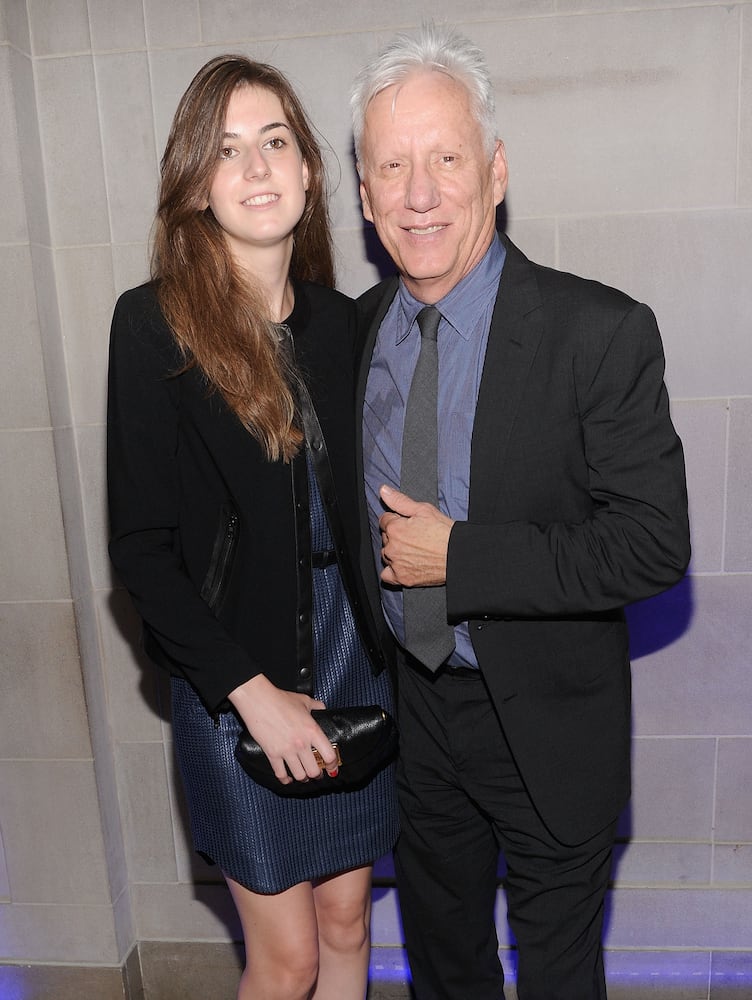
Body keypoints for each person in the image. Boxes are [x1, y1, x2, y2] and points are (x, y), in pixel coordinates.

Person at [350, 23, 690, 1000]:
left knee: (556, 979)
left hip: (548, 727)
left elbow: (652, 544)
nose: (419, 193)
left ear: (494, 172)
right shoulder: (355, 334)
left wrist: (460, 558)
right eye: (392, 166)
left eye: (446, 159)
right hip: (413, 725)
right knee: (443, 970)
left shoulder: (599, 332)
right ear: (365, 196)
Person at [107, 55, 398, 1000]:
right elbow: (140, 552)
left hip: (353, 661)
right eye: (227, 150)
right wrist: (249, 693)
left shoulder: (345, 323)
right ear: (196, 184)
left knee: (349, 926)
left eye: (275, 141)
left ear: (310, 169)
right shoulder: (153, 325)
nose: (258, 167)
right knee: (287, 960)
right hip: (233, 676)